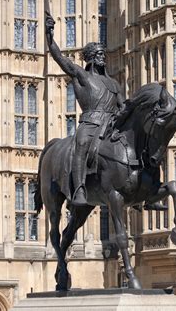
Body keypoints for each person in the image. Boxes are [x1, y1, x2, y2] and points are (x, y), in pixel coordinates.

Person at [45, 12, 125, 206]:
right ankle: (79, 188)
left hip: (111, 124)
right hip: (90, 123)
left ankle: (140, 189)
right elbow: (60, 59)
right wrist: (49, 36)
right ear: (90, 58)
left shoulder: (113, 83)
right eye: (98, 55)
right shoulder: (81, 75)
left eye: (103, 55)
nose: (102, 58)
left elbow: (123, 105)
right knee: (80, 144)